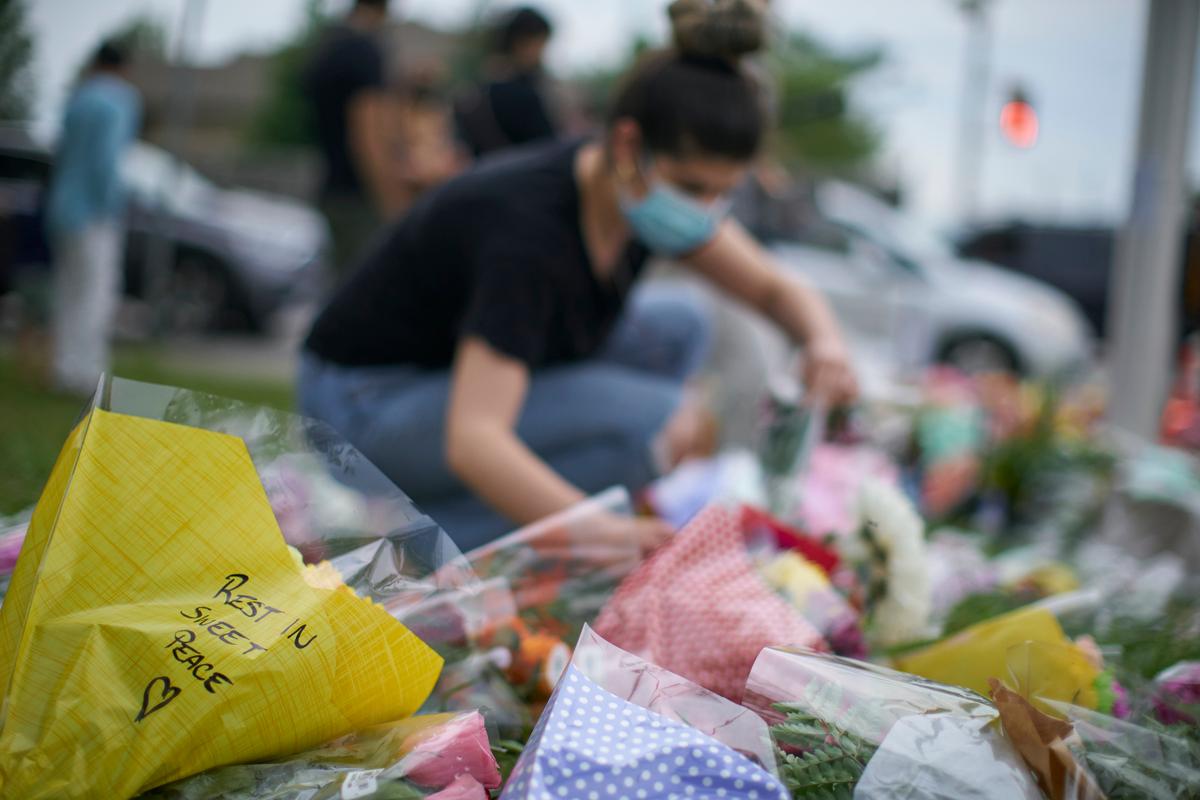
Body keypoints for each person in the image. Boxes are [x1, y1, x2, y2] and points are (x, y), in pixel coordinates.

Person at [299, 0, 857, 551]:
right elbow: (474, 440)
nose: (705, 212)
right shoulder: (529, 235)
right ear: (627, 144)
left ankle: (549, 501)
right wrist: (601, 533)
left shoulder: (632, 190)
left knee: (684, 323)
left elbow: (774, 287)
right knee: (654, 423)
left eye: (723, 192)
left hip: (442, 378)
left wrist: (824, 343)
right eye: (691, 188)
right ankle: (399, 539)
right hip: (360, 407)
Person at [45, 40, 141, 395]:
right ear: (124, 67)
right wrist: (111, 204)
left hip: (61, 208)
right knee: (96, 293)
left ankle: (64, 368)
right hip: (94, 212)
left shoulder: (78, 98)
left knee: (68, 292)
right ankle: (89, 375)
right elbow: (107, 160)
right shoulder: (121, 99)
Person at [303, 0, 405, 278]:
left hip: (333, 188)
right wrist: (392, 202)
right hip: (359, 196)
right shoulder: (364, 52)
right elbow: (367, 135)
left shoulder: (329, 48)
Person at [454, 6, 559, 158]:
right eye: (540, 45)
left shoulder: (477, 91)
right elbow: (547, 149)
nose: (541, 55)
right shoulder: (523, 94)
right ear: (522, 43)